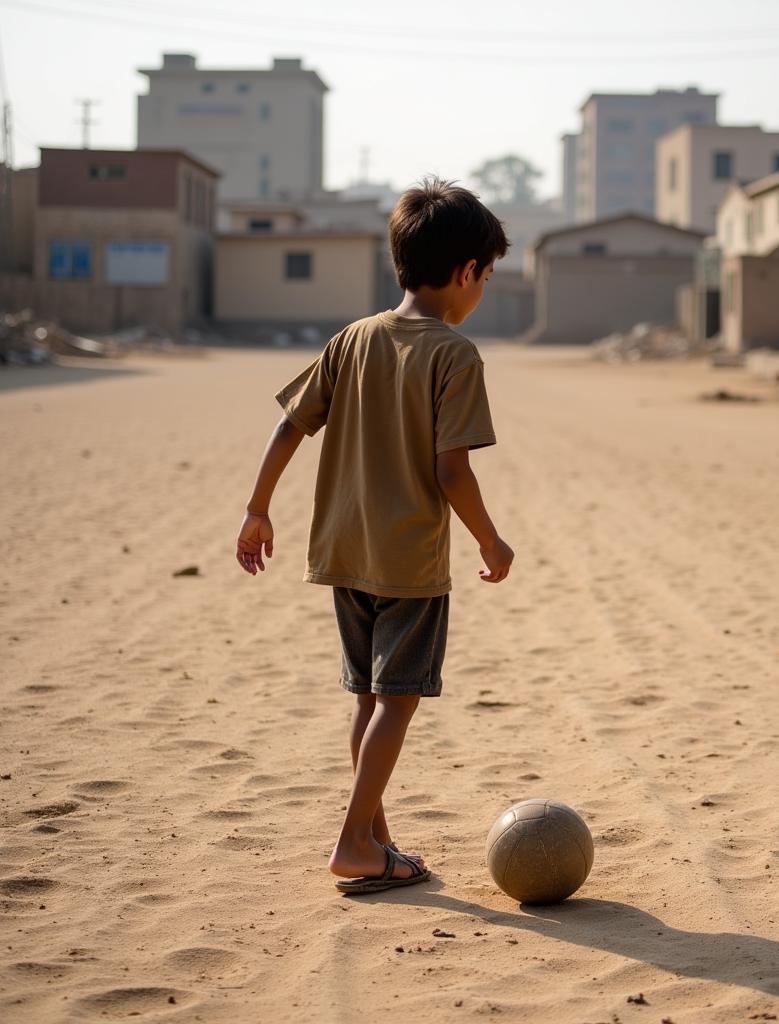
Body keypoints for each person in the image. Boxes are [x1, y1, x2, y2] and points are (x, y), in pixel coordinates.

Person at [235, 178, 514, 894]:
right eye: (487, 274)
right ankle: (354, 839)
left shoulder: (353, 338)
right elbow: (451, 471)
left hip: (344, 551)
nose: (483, 287)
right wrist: (490, 541)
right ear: (465, 273)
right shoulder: (454, 354)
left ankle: (379, 840)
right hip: (408, 558)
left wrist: (257, 508)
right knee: (397, 701)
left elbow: (289, 424)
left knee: (367, 698)